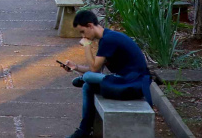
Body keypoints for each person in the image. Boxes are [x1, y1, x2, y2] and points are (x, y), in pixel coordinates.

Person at [62, 10, 152, 138]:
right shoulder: (106, 38)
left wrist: (87, 45)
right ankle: (84, 131)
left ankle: (83, 79)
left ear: (90, 25)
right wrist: (75, 67)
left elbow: (93, 71)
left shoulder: (109, 39)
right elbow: (97, 70)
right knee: (88, 86)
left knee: (88, 77)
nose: (82, 36)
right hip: (124, 82)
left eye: (83, 32)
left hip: (132, 85)